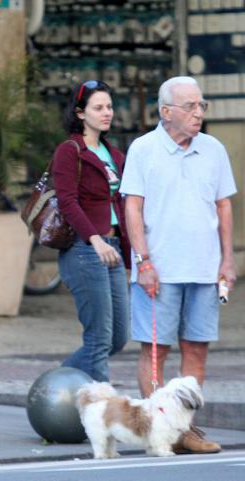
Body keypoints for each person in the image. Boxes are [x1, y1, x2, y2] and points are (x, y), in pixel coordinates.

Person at [121, 76, 236, 454]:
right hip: (160, 269)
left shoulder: (214, 149)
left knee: (197, 350)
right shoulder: (143, 149)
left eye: (201, 106)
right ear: (165, 111)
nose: (198, 113)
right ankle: (157, 428)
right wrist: (143, 261)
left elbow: (223, 206)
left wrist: (228, 259)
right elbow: (132, 208)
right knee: (156, 349)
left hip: (204, 270)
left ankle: (185, 429)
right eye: (190, 106)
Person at [51, 80, 130, 383]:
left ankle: (58, 382)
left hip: (113, 247)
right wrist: (95, 240)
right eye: (98, 108)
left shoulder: (115, 155)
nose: (106, 113)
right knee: (98, 339)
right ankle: (102, 417)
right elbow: (68, 202)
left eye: (109, 106)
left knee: (117, 338)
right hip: (85, 251)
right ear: (81, 113)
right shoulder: (69, 151)